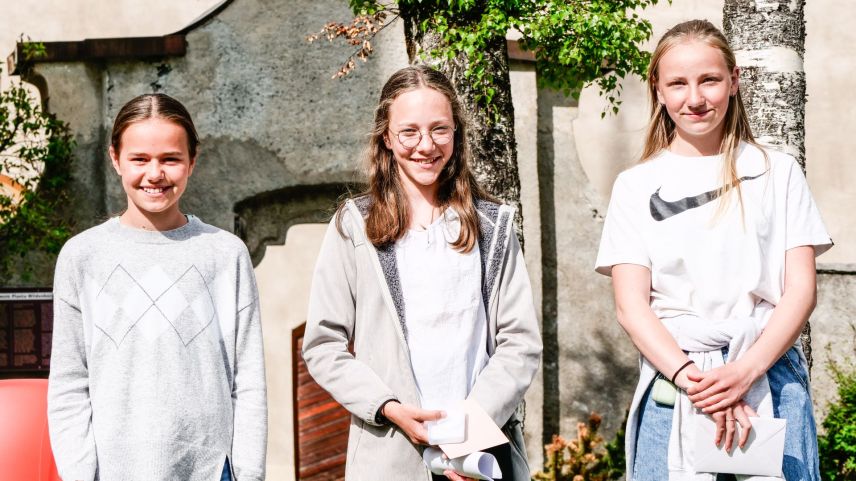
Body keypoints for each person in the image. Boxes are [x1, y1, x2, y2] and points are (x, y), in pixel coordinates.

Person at [595, 19, 832, 481]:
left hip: (768, 375)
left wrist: (744, 372)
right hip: (676, 383)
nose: (695, 98)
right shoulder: (634, 185)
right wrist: (694, 380)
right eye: (678, 83)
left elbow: (800, 291)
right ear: (659, 91)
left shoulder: (778, 172)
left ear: (734, 81)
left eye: (709, 80)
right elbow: (630, 306)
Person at [302, 65, 542, 481]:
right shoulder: (354, 226)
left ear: (456, 134)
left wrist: (468, 434)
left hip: (480, 454)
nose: (426, 145)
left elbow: (519, 343)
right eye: (409, 131)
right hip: (392, 454)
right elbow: (323, 345)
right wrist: (387, 406)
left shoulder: (492, 225)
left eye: (439, 130)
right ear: (387, 137)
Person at [48, 93, 267, 481]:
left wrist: (248, 473)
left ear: (192, 161)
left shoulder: (225, 254)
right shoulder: (82, 256)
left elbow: (247, 382)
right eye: (140, 159)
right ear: (115, 158)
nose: (155, 174)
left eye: (170, 159)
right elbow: (69, 384)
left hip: (211, 470)